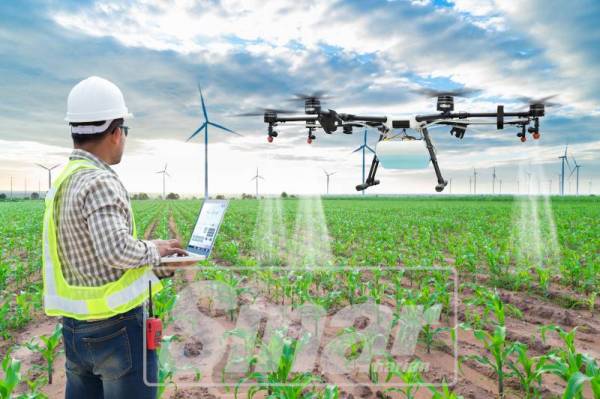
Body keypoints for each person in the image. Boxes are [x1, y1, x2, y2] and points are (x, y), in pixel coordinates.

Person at [42, 76, 189, 399]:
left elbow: (92, 256)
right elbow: (115, 250)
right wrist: (155, 250)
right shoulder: (98, 180)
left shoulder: (64, 181)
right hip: (115, 330)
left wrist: (154, 259)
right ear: (114, 132)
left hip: (75, 328)